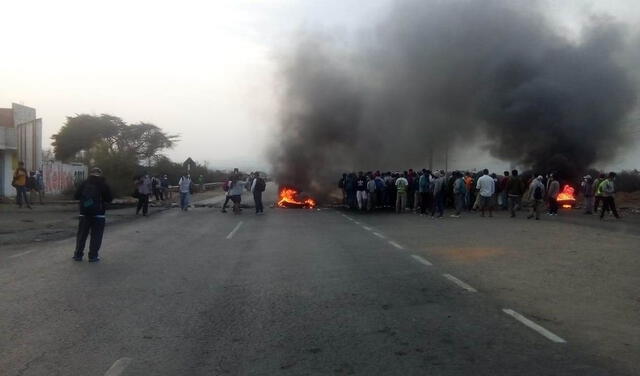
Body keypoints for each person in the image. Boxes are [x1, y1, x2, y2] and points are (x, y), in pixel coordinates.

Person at [72, 167, 113, 262]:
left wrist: (87, 202)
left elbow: (76, 196)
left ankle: (78, 255)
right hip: (99, 215)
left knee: (81, 235)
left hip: (84, 214)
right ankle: (93, 256)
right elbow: (109, 199)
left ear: (90, 173)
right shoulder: (103, 184)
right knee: (96, 236)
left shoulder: (84, 183)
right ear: (100, 174)